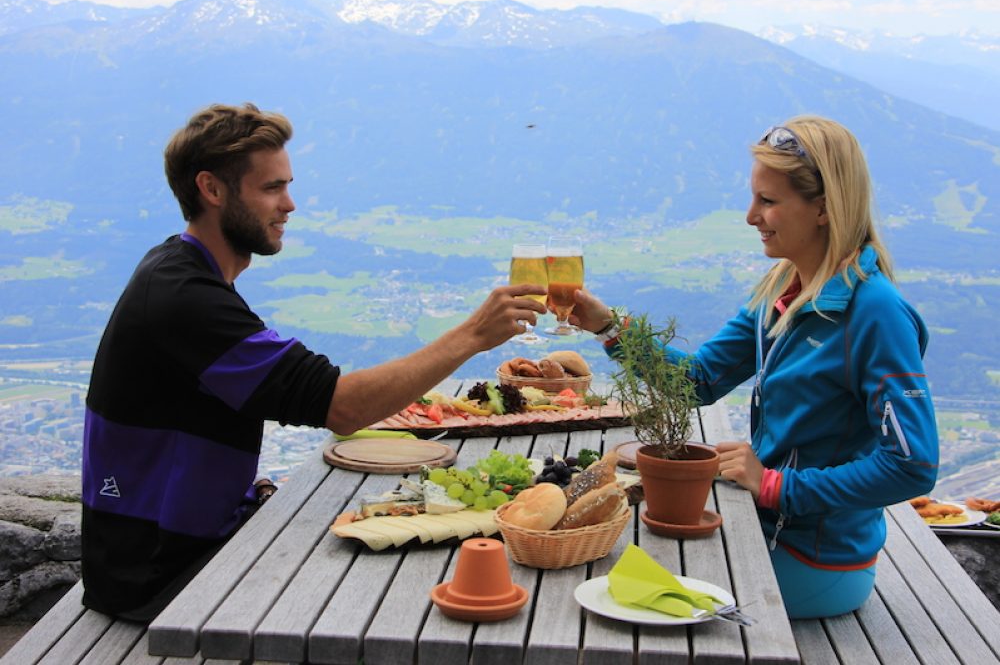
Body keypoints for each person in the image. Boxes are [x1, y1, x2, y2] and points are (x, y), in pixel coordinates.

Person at [81, 103, 547, 621]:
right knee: (402, 604)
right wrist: (474, 335)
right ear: (211, 190)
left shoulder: (182, 274)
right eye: (271, 188)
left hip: (185, 547)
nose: (290, 204)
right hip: (161, 577)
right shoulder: (183, 297)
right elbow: (340, 406)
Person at [569, 115, 938, 619]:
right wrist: (608, 326)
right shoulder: (783, 291)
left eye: (768, 201)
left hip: (817, 562)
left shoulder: (874, 312)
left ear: (824, 209)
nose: (750, 216)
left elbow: (912, 464)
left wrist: (775, 486)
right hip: (768, 530)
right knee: (611, 568)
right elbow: (700, 380)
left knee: (621, 591)